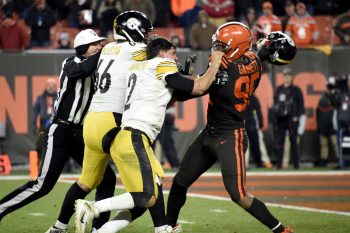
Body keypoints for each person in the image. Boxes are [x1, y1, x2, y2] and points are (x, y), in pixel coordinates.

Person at [74, 36, 224, 233]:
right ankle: (93, 208)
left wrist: (206, 77)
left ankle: (107, 231)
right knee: (146, 196)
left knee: (146, 198)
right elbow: (197, 87)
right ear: (161, 53)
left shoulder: (141, 68)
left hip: (128, 136)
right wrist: (215, 64)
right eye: (173, 54)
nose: (176, 59)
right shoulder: (161, 64)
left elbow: (179, 92)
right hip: (134, 137)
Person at [48, 11, 175, 233]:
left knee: (85, 181)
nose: (147, 37)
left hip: (92, 122)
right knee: (150, 182)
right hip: (114, 124)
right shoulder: (136, 50)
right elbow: (161, 62)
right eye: (144, 31)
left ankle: (58, 227)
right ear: (133, 28)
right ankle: (162, 228)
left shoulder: (106, 48)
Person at [166, 26, 296, 233]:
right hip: (210, 133)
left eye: (222, 45)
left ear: (234, 49)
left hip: (231, 136)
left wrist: (182, 78)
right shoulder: (252, 62)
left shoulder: (226, 71)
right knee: (180, 181)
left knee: (239, 194)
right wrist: (267, 44)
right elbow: (258, 53)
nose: (217, 48)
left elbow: (189, 92)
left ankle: (280, 230)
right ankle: (168, 227)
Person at [0, 29, 116, 233]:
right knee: (43, 186)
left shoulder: (97, 65)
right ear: (82, 48)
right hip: (61, 131)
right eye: (95, 44)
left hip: (81, 134)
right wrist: (106, 50)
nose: (99, 46)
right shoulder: (71, 63)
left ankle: (98, 228)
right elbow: (83, 69)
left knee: (107, 178)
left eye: (100, 44)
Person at [272, 67, 305, 169]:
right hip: (281, 119)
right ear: (283, 77)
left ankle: (296, 164)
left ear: (292, 77)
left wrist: (297, 116)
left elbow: (301, 105)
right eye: (285, 75)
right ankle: (279, 164)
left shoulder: (296, 90)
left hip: (292, 119)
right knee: (280, 142)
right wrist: (275, 116)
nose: (287, 78)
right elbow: (275, 104)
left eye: (289, 75)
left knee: (294, 141)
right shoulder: (279, 89)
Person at [32, 78, 57, 159]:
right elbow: (35, 113)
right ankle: (39, 163)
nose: (51, 87)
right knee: (40, 144)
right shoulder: (41, 98)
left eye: (53, 85)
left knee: (58, 144)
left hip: (56, 124)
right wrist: (33, 126)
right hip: (43, 125)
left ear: (55, 87)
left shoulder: (59, 97)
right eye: (49, 85)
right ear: (46, 86)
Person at [316, 87, 338, 167]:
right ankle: (323, 160)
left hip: (333, 126)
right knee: (323, 145)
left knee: (336, 144)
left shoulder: (336, 98)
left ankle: (340, 159)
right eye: (328, 88)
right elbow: (318, 113)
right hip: (323, 126)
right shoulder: (322, 100)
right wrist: (319, 126)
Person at [245, 94, 263, 168]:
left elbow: (257, 111)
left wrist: (260, 122)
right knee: (246, 146)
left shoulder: (253, 98)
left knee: (254, 145)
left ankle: (258, 162)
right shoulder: (253, 98)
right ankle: (245, 164)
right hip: (245, 124)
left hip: (250, 124)